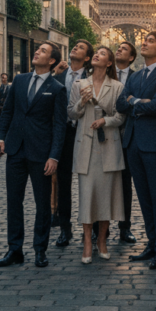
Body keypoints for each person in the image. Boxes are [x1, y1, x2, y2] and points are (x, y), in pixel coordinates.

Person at [0, 43, 67, 268]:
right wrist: (0, 137)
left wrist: (54, 156)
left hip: (41, 153)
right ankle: (14, 249)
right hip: (15, 150)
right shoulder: (20, 80)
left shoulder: (57, 88)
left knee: (42, 204)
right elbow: (8, 111)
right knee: (14, 202)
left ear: (52, 61)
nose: (37, 52)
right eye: (37, 49)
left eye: (43, 51)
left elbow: (59, 126)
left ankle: (39, 249)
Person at [116, 32, 156, 269]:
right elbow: (120, 104)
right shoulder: (136, 75)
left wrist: (133, 102)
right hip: (133, 143)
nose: (144, 43)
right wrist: (141, 102)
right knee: (144, 198)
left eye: (150, 41)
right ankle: (152, 243)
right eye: (144, 40)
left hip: (155, 145)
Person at [68, 46, 127, 264]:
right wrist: (82, 102)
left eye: (103, 54)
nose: (97, 55)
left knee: (106, 197)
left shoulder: (118, 87)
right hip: (86, 148)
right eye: (96, 53)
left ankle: (102, 240)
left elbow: (121, 117)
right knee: (86, 197)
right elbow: (71, 114)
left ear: (109, 63)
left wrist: (105, 120)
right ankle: (86, 242)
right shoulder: (79, 84)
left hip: (109, 146)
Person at [53, 39, 94, 247]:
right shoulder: (59, 75)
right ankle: (65, 228)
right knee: (63, 182)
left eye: (81, 48)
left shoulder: (93, 77)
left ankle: (93, 228)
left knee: (89, 180)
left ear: (87, 58)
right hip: (64, 133)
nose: (75, 48)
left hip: (86, 132)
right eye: (74, 46)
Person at [112, 41, 139, 245]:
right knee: (102, 181)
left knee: (125, 183)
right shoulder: (103, 73)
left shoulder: (137, 77)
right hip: (103, 134)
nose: (119, 49)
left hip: (128, 135)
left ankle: (125, 226)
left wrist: (128, 104)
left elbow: (138, 105)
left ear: (131, 57)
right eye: (118, 47)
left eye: (124, 49)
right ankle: (97, 227)